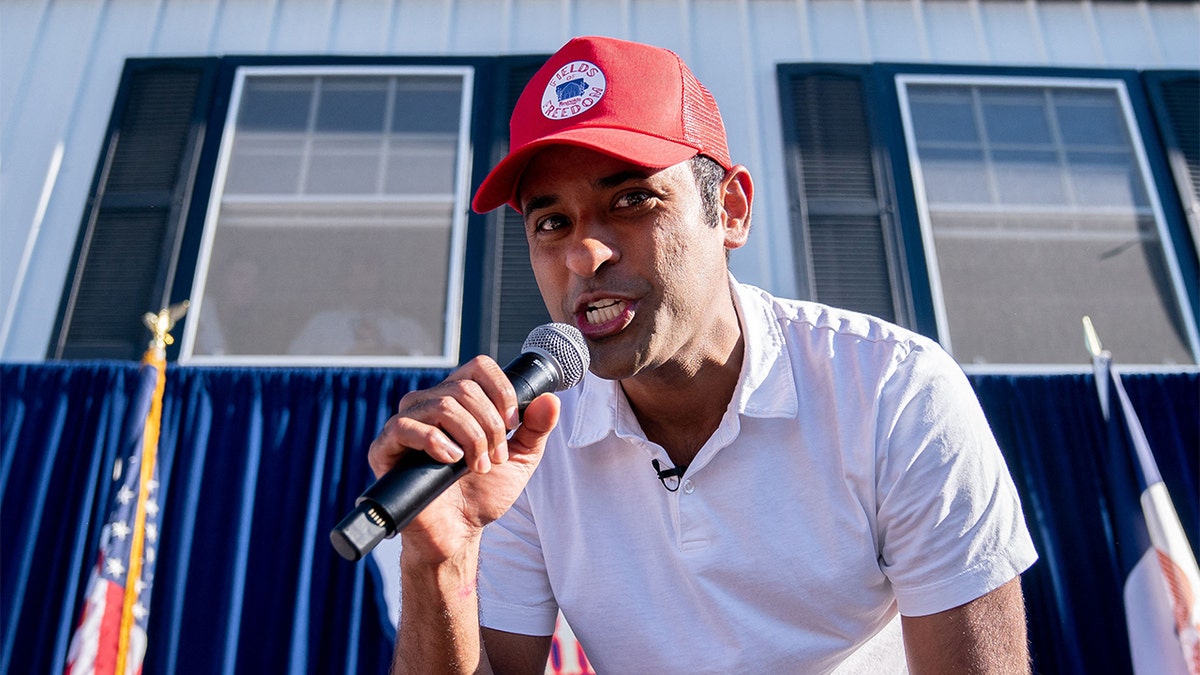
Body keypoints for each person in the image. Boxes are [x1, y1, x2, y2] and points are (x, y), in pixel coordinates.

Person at [368, 35, 1038, 674]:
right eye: (551, 222)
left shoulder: (893, 390)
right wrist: (441, 559)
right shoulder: (519, 442)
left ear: (733, 210)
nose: (584, 253)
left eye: (632, 199)